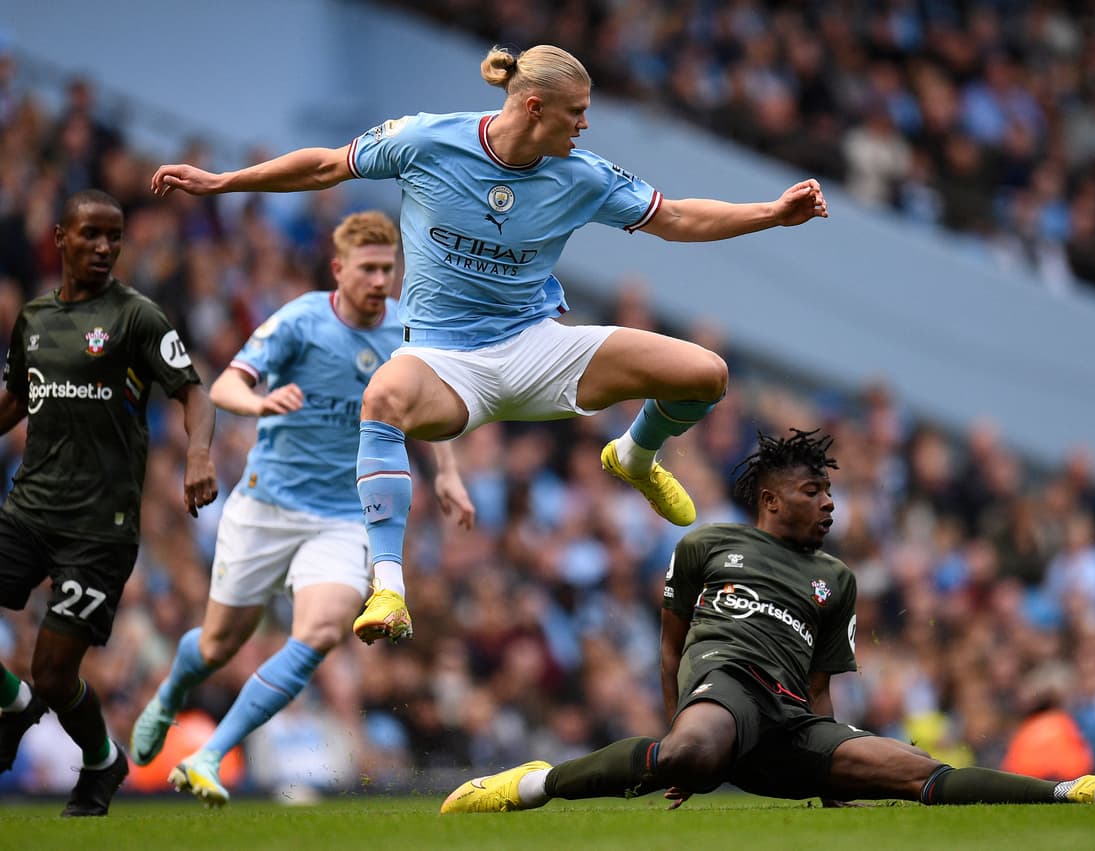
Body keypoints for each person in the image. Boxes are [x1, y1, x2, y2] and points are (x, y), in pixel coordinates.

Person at [148, 43, 830, 644]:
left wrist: (772, 213)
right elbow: (327, 166)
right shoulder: (426, 141)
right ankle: (388, 588)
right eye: (577, 113)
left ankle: (634, 454)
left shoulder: (583, 174)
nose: (585, 125)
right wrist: (225, 181)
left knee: (705, 374)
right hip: (445, 361)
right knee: (382, 397)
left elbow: (676, 217)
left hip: (536, 347)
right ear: (534, 107)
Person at [440, 429, 1095, 813]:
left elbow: (821, 686)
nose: (828, 503)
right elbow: (670, 647)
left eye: (829, 492)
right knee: (693, 751)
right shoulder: (706, 545)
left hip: (788, 721)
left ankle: (1077, 790)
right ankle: (532, 785)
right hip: (725, 686)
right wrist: (679, 736)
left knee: (916, 772)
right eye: (813, 490)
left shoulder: (837, 578)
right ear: (770, 498)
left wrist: (831, 759)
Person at [127, 210, 475, 807]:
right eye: (367, 269)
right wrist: (260, 404)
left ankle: (208, 755)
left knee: (319, 633)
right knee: (217, 647)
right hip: (267, 505)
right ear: (338, 269)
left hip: (342, 516)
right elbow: (225, 386)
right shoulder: (300, 321)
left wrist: (446, 471)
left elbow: (427, 406)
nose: (379, 280)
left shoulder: (405, 334)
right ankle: (169, 697)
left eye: (387, 269)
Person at [0, 189, 217, 816]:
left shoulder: (136, 317)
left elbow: (193, 392)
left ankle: (101, 760)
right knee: (34, 685)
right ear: (60, 238)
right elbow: (15, 397)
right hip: (29, 510)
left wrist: (199, 455)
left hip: (100, 528)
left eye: (113, 237)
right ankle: (14, 703)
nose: (103, 247)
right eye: (90, 234)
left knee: (53, 673)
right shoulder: (34, 318)